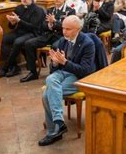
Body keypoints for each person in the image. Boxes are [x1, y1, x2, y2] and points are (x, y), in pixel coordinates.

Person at [38, 16, 95, 146]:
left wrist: (64, 62)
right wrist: (55, 63)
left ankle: (54, 131)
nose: (64, 32)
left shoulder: (87, 44)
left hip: (80, 77)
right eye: (63, 28)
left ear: (78, 29)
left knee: (47, 94)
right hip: (64, 72)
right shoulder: (63, 41)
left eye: (68, 29)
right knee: (50, 78)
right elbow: (54, 70)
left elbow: (85, 71)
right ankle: (59, 123)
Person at [22, 0, 76, 82]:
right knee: (28, 43)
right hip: (49, 35)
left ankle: (54, 73)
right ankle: (33, 72)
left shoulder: (70, 11)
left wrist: (55, 21)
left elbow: (67, 26)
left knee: (55, 46)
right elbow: (43, 25)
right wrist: (50, 25)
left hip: (61, 36)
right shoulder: (50, 10)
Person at [0, 0, 45, 77]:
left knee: (18, 42)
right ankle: (14, 66)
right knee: (4, 39)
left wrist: (19, 21)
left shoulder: (38, 10)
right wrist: (12, 23)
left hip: (32, 33)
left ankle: (5, 67)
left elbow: (33, 27)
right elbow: (12, 26)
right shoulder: (19, 8)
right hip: (20, 32)